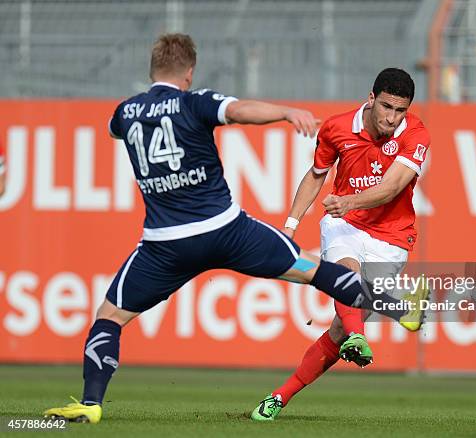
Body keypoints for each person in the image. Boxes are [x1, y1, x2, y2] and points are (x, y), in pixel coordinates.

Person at [42, 35, 415, 424]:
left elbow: (114, 130)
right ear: (189, 73)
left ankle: (90, 403)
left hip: (164, 244)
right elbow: (238, 111)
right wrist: (286, 112)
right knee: (314, 271)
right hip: (224, 230)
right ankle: (395, 303)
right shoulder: (194, 100)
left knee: (109, 318)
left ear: (152, 69)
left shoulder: (127, 111)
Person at [251, 68, 431, 421]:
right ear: (371, 98)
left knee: (339, 328)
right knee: (347, 272)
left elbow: (393, 187)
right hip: (344, 224)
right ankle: (368, 331)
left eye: (400, 111)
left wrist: (349, 200)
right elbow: (316, 175)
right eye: (386, 108)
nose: (392, 118)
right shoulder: (335, 128)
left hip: (392, 236)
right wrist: (290, 225)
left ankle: (282, 393)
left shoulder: (417, 133)